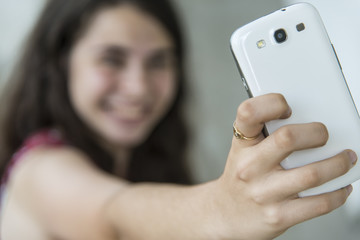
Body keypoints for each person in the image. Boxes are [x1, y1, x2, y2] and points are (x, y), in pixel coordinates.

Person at [0, 0, 355, 239]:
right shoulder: (40, 167)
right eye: (112, 59)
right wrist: (222, 207)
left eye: (158, 62)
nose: (138, 88)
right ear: (60, 63)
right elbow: (113, 213)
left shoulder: (149, 167)